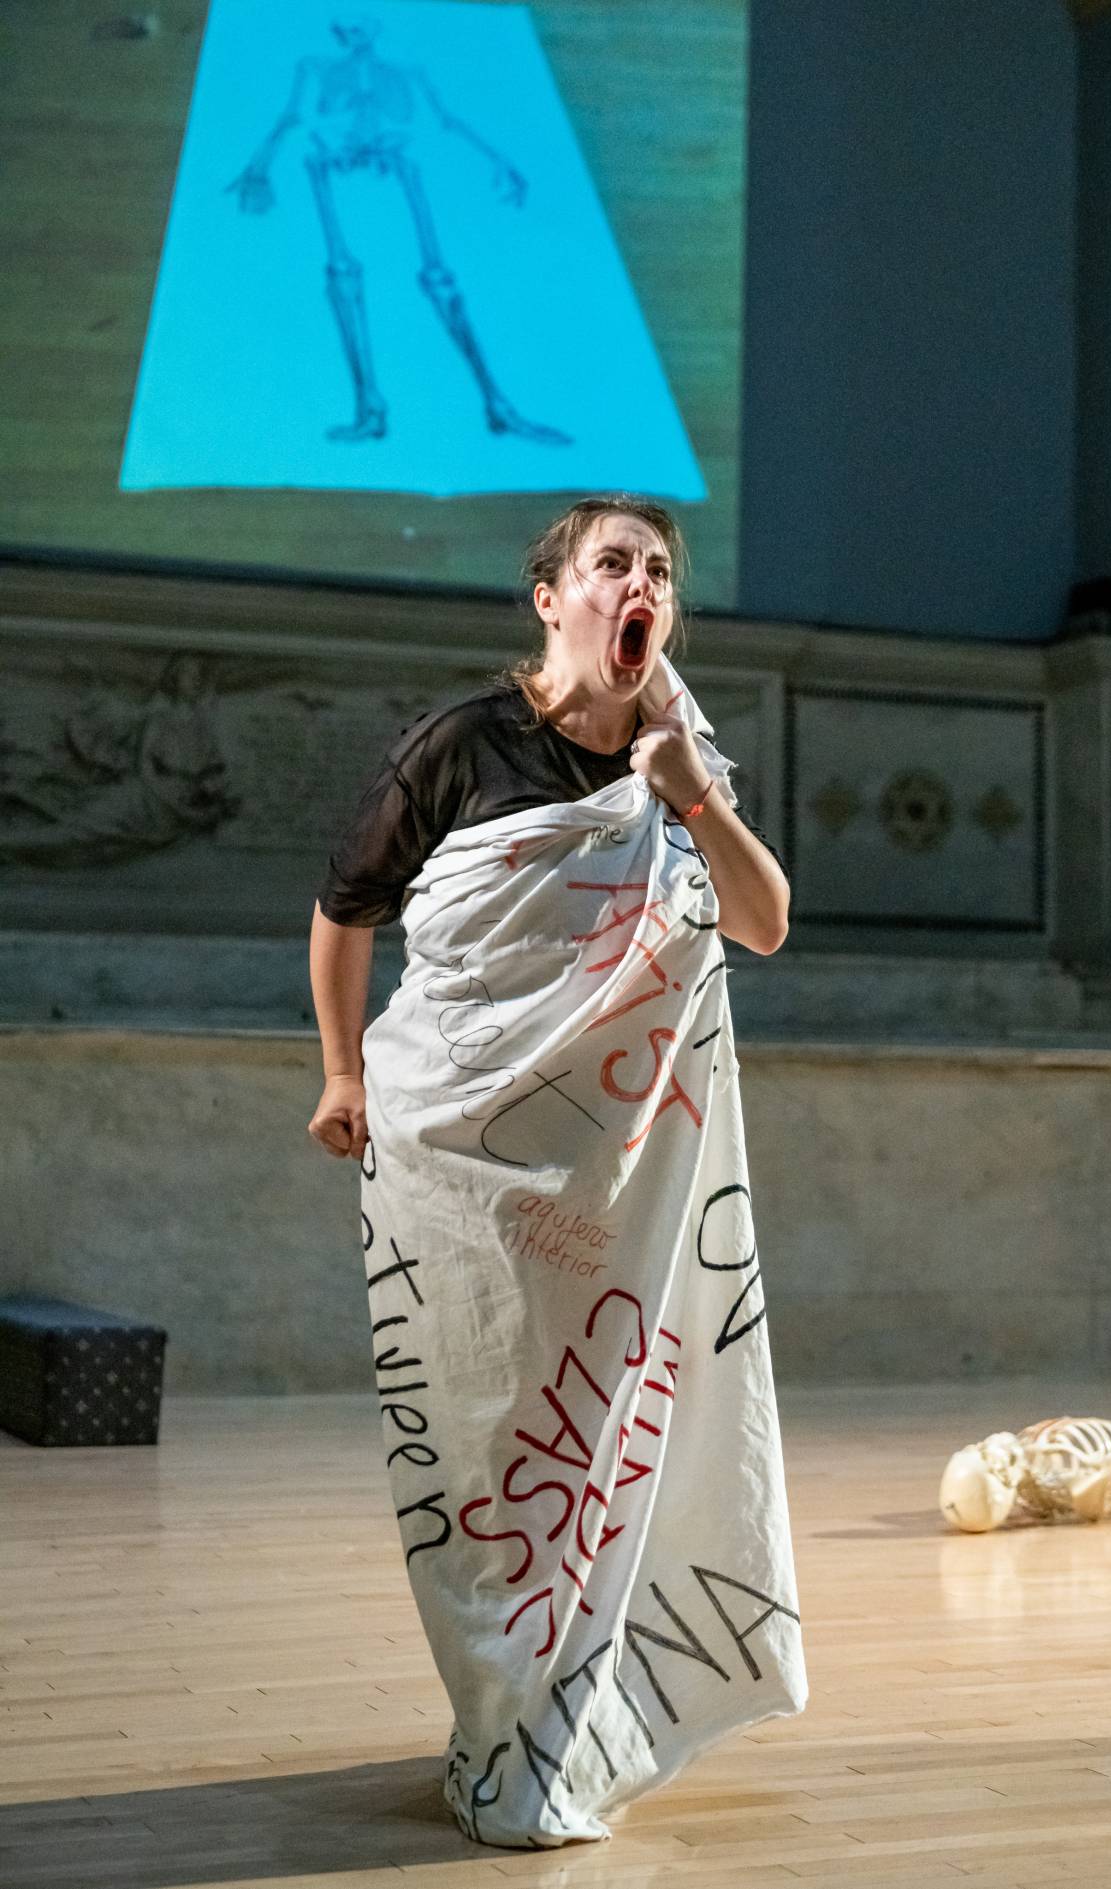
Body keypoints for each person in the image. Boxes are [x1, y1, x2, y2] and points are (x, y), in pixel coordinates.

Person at [307, 494, 807, 1848]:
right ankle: (495, 1715)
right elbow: (345, 909)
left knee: (604, 1442)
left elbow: (760, 924)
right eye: (610, 563)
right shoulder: (464, 743)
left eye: (656, 569)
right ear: (552, 596)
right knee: (489, 1448)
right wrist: (344, 1073)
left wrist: (683, 788)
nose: (637, 582)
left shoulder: (675, 758)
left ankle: (566, 1728)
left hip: (622, 1198)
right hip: (458, 1167)